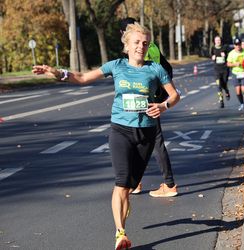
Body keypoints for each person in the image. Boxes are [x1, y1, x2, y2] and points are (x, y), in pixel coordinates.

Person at [32, 22, 180, 250]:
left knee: (129, 186)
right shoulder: (117, 65)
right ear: (127, 46)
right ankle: (120, 233)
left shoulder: (155, 69)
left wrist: (163, 106)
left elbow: (174, 95)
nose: (141, 46)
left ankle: (123, 204)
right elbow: (81, 78)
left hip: (146, 132)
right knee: (121, 183)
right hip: (120, 130)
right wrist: (56, 72)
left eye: (145, 43)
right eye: (137, 42)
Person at [120, 17, 178, 197]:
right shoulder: (150, 46)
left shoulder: (138, 47)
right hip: (147, 99)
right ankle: (137, 183)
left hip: (143, 100)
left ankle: (168, 184)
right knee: (142, 140)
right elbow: (165, 69)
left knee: (149, 140)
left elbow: (141, 73)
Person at [227, 38, 244, 110]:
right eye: (236, 45)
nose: (238, 46)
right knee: (238, 91)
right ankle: (242, 103)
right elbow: (228, 64)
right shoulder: (231, 53)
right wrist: (234, 64)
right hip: (235, 73)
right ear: (234, 46)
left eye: (239, 44)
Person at [210, 35, 230, 108]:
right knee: (218, 85)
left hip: (224, 69)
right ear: (214, 41)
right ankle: (221, 100)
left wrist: (225, 55)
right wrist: (212, 57)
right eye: (216, 40)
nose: (218, 41)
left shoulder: (225, 47)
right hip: (217, 70)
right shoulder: (213, 48)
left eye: (219, 40)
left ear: (221, 41)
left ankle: (227, 91)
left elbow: (229, 56)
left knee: (224, 84)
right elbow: (211, 55)